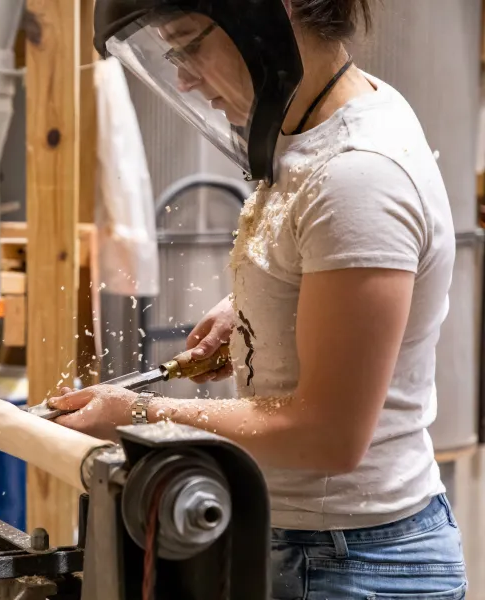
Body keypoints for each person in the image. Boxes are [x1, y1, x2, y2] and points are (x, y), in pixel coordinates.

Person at [49, 0, 468, 598]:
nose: (184, 78)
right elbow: (324, 255)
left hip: (346, 563)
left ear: (278, 13)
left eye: (191, 44)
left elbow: (328, 434)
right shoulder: (317, 120)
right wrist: (259, 310)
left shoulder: (357, 173)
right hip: (316, 545)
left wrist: (136, 415)